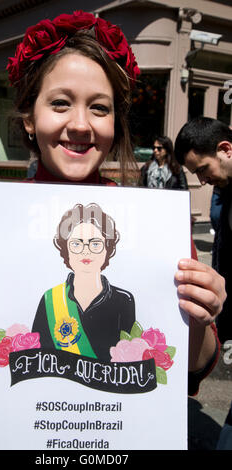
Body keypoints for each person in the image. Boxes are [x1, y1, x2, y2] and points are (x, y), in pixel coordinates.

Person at [0, 11, 226, 450]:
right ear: (29, 117)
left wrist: (200, 318)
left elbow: (189, 369)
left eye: (100, 108)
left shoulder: (154, 228)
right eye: (60, 103)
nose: (81, 125)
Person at [174, 116, 232, 449]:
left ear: (225, 149)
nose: (203, 180)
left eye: (203, 169)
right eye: (196, 174)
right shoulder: (226, 195)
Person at [32, 203, 135, 361]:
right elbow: (37, 357)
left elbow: (130, 357)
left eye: (95, 244)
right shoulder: (50, 299)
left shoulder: (123, 300)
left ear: (108, 248)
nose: (85, 250)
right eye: (76, 244)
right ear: (65, 249)